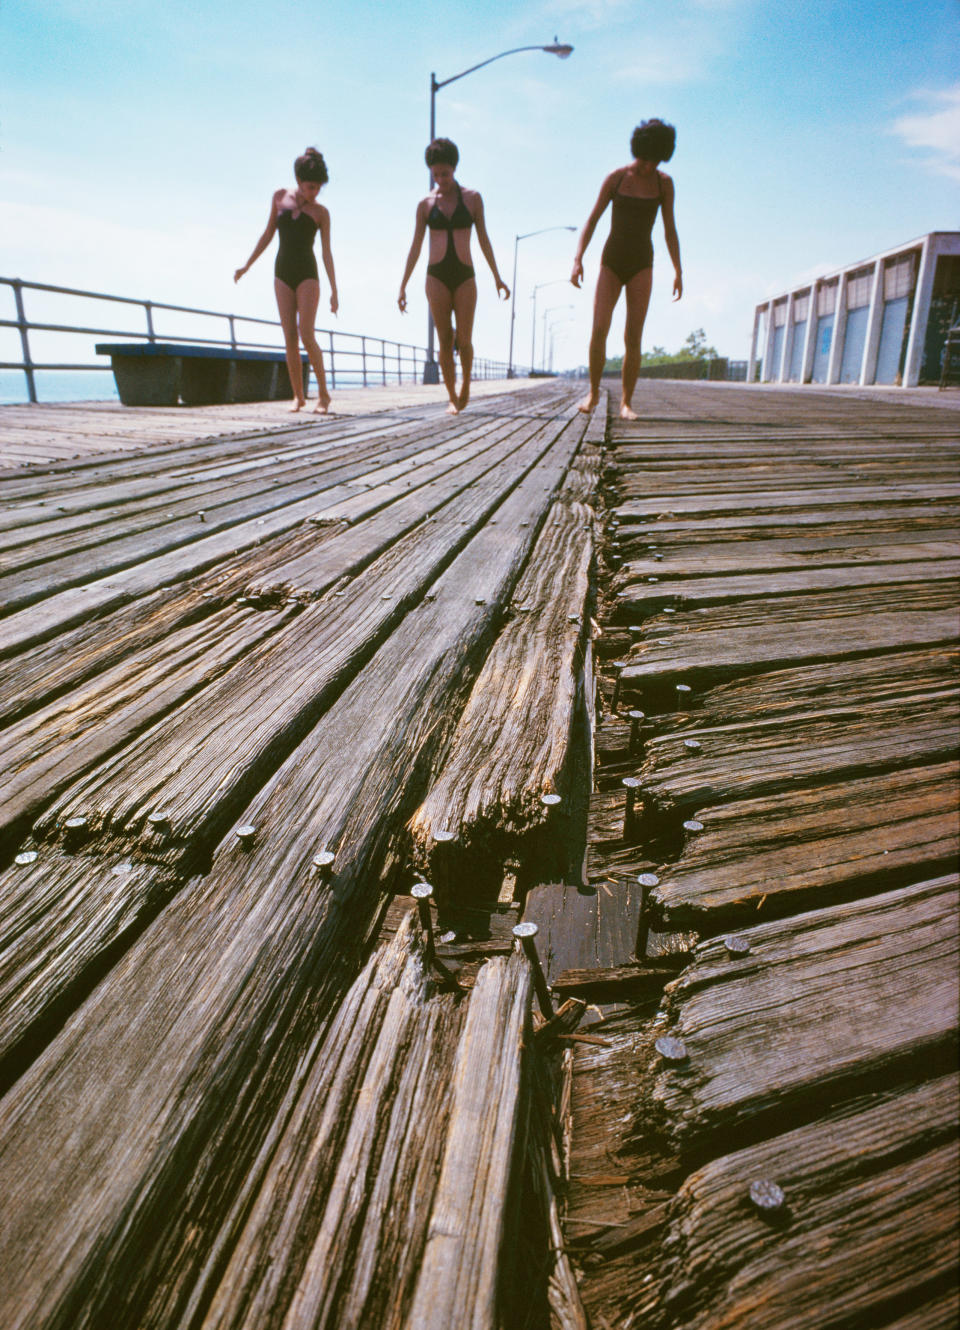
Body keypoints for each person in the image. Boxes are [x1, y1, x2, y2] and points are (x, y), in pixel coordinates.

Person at [571, 119, 682, 419]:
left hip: (642, 263)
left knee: (633, 335)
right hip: (612, 260)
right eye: (645, 159)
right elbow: (592, 220)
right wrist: (578, 259)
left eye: (656, 160)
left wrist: (678, 270)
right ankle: (593, 393)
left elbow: (670, 229)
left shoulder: (664, 183)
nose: (649, 166)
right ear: (637, 151)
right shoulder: (616, 178)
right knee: (599, 329)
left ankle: (626, 402)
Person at [398, 138, 510, 414]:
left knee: (465, 340)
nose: (441, 179)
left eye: (445, 173)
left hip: (464, 275)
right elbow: (414, 246)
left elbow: (484, 239)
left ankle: (466, 385)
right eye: (435, 174)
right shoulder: (425, 204)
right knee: (444, 339)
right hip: (435, 276)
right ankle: (451, 395)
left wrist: (497, 276)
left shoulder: (472, 199)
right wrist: (402, 286)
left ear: (455, 168)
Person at [234, 147, 338, 413]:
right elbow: (268, 233)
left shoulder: (321, 213)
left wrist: (334, 291)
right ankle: (298, 396)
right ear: (298, 180)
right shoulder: (280, 197)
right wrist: (247, 265)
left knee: (307, 333)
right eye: (309, 187)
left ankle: (324, 396)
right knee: (289, 336)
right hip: (282, 272)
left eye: (317, 188)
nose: (313, 192)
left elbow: (326, 253)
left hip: (307, 274)